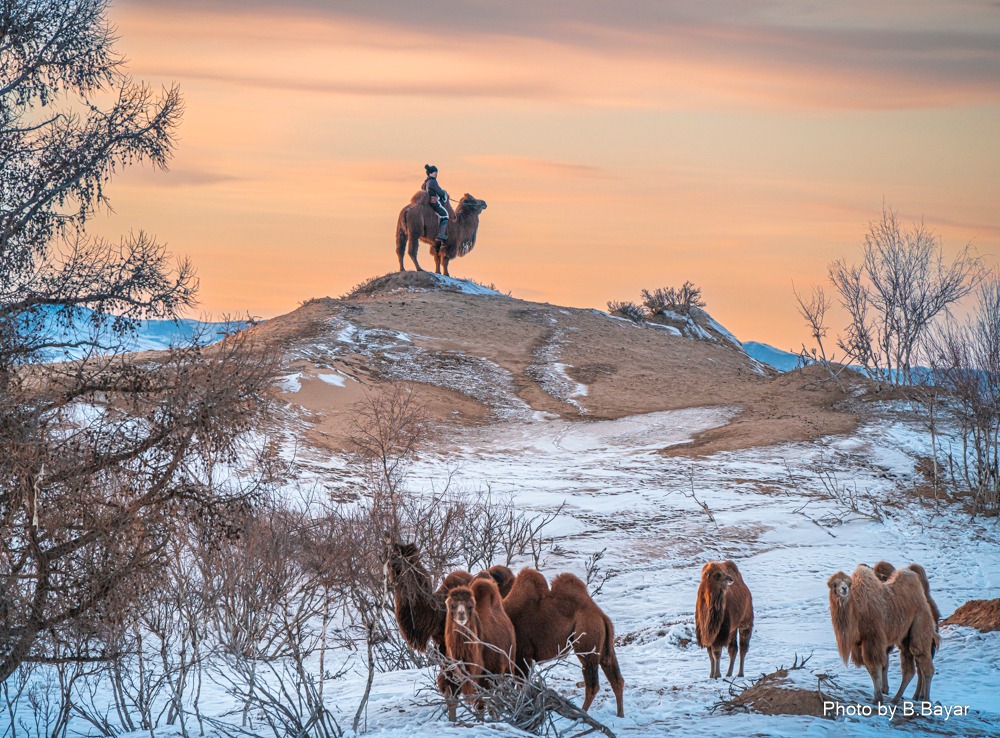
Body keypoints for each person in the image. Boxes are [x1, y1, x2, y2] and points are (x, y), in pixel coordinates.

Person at [421, 164, 449, 243]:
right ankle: (441, 234)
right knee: (445, 214)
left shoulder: (425, 182)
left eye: (436, 172)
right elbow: (439, 191)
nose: (436, 174)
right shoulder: (433, 181)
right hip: (433, 203)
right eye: (434, 172)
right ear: (430, 173)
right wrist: (443, 195)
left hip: (426, 202)